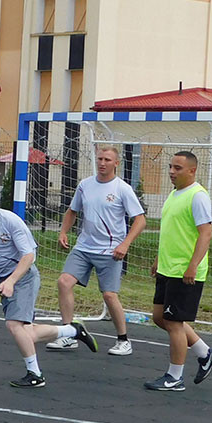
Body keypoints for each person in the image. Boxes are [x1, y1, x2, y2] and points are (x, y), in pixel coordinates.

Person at [0, 179, 98, 388]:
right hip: (4, 281)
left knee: (14, 325)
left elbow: (28, 256)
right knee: (28, 332)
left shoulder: (10, 221)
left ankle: (35, 374)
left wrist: (11, 281)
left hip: (24, 277)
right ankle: (73, 331)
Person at [47, 146, 146, 355]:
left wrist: (125, 244)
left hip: (110, 251)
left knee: (109, 295)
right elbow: (72, 211)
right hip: (84, 247)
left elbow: (140, 220)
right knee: (64, 282)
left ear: (116, 163)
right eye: (100, 159)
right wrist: (63, 232)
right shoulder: (85, 185)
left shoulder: (122, 189)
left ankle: (123, 340)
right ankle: (68, 334)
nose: (102, 163)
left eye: (107, 160)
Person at [145, 151, 212, 392]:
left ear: (191, 171)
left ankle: (175, 377)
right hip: (168, 268)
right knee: (160, 317)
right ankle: (205, 353)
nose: (171, 171)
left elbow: (206, 233)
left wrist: (193, 265)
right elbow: (172, 231)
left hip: (184, 271)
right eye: (170, 166)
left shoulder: (197, 196)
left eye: (177, 168)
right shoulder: (174, 193)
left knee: (174, 323)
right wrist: (159, 259)